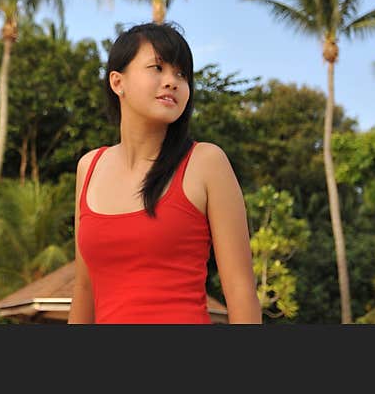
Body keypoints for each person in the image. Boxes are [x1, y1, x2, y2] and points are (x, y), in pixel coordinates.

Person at [68, 22, 261, 324]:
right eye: (157, 68)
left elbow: (241, 291)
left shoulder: (206, 162)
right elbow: (84, 290)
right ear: (118, 82)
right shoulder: (89, 167)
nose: (172, 81)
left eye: (181, 74)